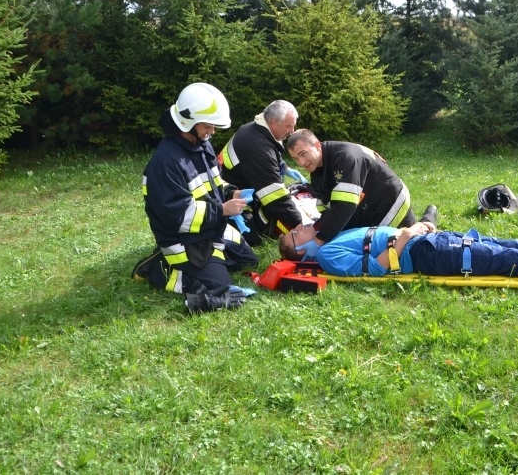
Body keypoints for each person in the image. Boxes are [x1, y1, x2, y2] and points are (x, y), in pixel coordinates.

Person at [133, 82, 259, 311]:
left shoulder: (201, 144)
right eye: (209, 125)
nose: (212, 131)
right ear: (188, 122)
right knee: (219, 289)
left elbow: (215, 185)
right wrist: (222, 210)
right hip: (184, 240)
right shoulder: (165, 163)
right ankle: (161, 267)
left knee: (249, 260)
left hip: (211, 229)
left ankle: (209, 261)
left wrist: (233, 193)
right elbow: (178, 217)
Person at [279, 221, 518, 287]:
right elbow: (374, 269)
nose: (304, 225)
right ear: (301, 249)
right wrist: (405, 236)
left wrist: (416, 230)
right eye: (298, 232)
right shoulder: (327, 258)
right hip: (430, 255)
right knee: (510, 261)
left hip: (427, 242)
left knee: (514, 247)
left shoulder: (335, 237)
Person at [286, 129, 434, 259]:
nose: (301, 163)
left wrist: (320, 239)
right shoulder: (317, 169)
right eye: (295, 159)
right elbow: (327, 207)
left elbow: (344, 206)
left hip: (390, 204)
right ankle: (428, 219)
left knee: (417, 245)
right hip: (365, 208)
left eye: (303, 154)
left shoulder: (345, 157)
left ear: (317, 145)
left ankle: (429, 219)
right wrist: (317, 228)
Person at [218, 100, 308, 244]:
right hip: (231, 196)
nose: (292, 131)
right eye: (289, 126)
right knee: (253, 236)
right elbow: (275, 198)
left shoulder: (258, 129)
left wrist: (284, 167)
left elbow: (273, 153)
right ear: (273, 122)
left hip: (243, 184)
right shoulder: (257, 147)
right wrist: (303, 224)